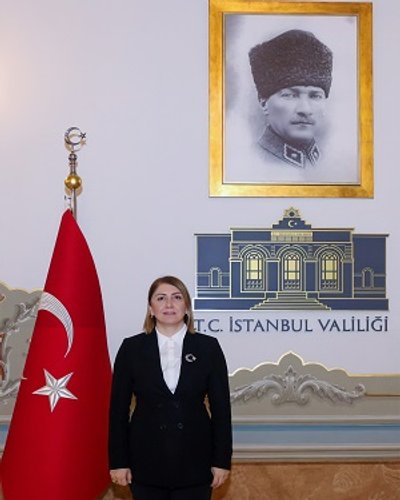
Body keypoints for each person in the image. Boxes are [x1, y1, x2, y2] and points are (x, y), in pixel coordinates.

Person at [108, 276, 232, 500]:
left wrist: (221, 461)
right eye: (161, 298)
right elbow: (118, 411)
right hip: (145, 463)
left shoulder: (208, 347)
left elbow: (222, 410)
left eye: (177, 297)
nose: (169, 304)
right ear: (151, 309)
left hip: (196, 463)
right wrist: (119, 462)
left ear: (187, 307)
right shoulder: (131, 349)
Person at [248, 29, 333, 169]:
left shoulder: (334, 163)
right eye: (289, 95)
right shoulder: (247, 163)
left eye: (315, 96)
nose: (305, 109)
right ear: (263, 102)